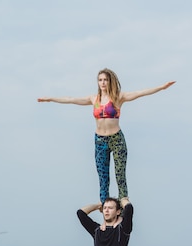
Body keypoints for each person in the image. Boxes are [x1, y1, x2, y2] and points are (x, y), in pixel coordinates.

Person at [38, 69, 175, 203]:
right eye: (100, 80)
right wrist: (50, 99)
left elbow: (141, 93)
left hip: (116, 139)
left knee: (120, 173)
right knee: (103, 176)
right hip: (100, 140)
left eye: (105, 80)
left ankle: (124, 202)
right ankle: (105, 206)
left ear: (110, 81)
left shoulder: (118, 97)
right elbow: (71, 99)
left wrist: (162, 87)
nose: (103, 82)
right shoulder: (94, 99)